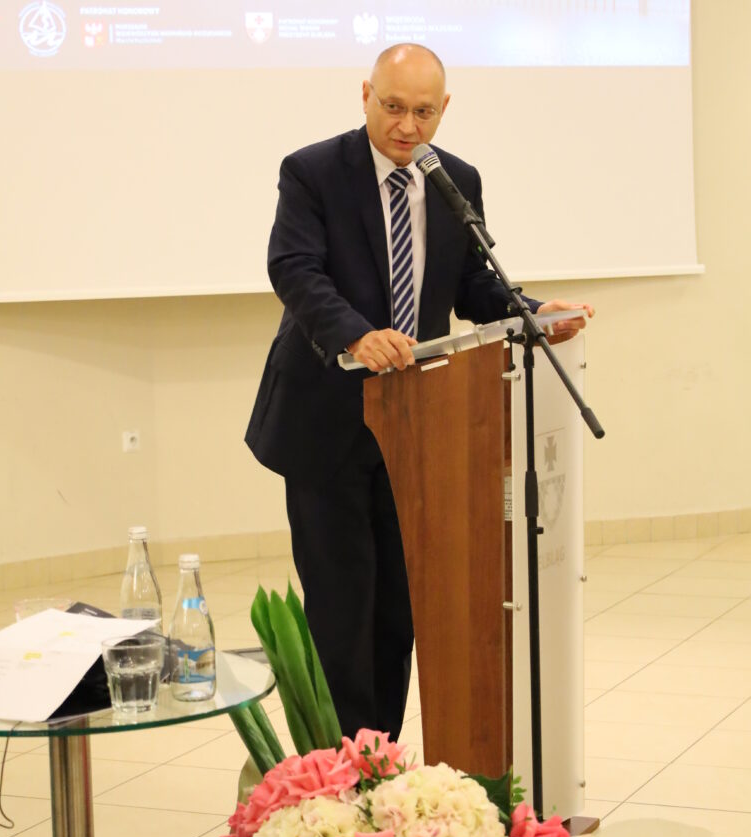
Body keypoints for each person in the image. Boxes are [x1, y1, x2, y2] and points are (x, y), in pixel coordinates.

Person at [246, 44, 594, 741]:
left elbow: (472, 285)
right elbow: (295, 269)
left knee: (399, 609)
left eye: (424, 112)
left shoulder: (453, 178)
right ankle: (343, 763)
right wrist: (356, 334)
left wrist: (531, 312)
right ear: (366, 94)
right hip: (326, 421)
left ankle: (380, 753)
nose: (408, 126)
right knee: (342, 604)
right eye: (394, 107)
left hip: (417, 422)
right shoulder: (313, 171)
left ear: (445, 109)